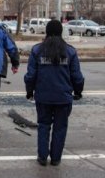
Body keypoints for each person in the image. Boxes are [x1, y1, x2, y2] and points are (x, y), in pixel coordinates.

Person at [24, 20, 84, 166]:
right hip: (63, 97)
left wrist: (29, 91)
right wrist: (78, 91)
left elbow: (31, 75)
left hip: (43, 96)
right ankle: (56, 158)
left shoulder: (37, 50)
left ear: (47, 31)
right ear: (61, 31)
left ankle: (42, 157)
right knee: (60, 127)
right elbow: (77, 76)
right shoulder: (70, 51)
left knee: (43, 125)